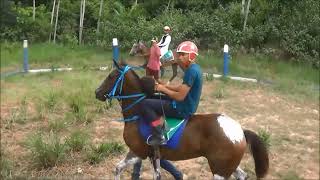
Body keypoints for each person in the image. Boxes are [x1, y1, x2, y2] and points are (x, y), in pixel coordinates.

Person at [138, 41, 203, 146]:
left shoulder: (191, 71)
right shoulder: (195, 68)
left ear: (191, 55)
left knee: (145, 104)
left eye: (183, 55)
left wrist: (162, 89)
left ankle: (159, 134)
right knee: (155, 96)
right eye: (179, 55)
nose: (180, 57)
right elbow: (181, 88)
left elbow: (180, 97)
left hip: (182, 108)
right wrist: (165, 86)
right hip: (186, 104)